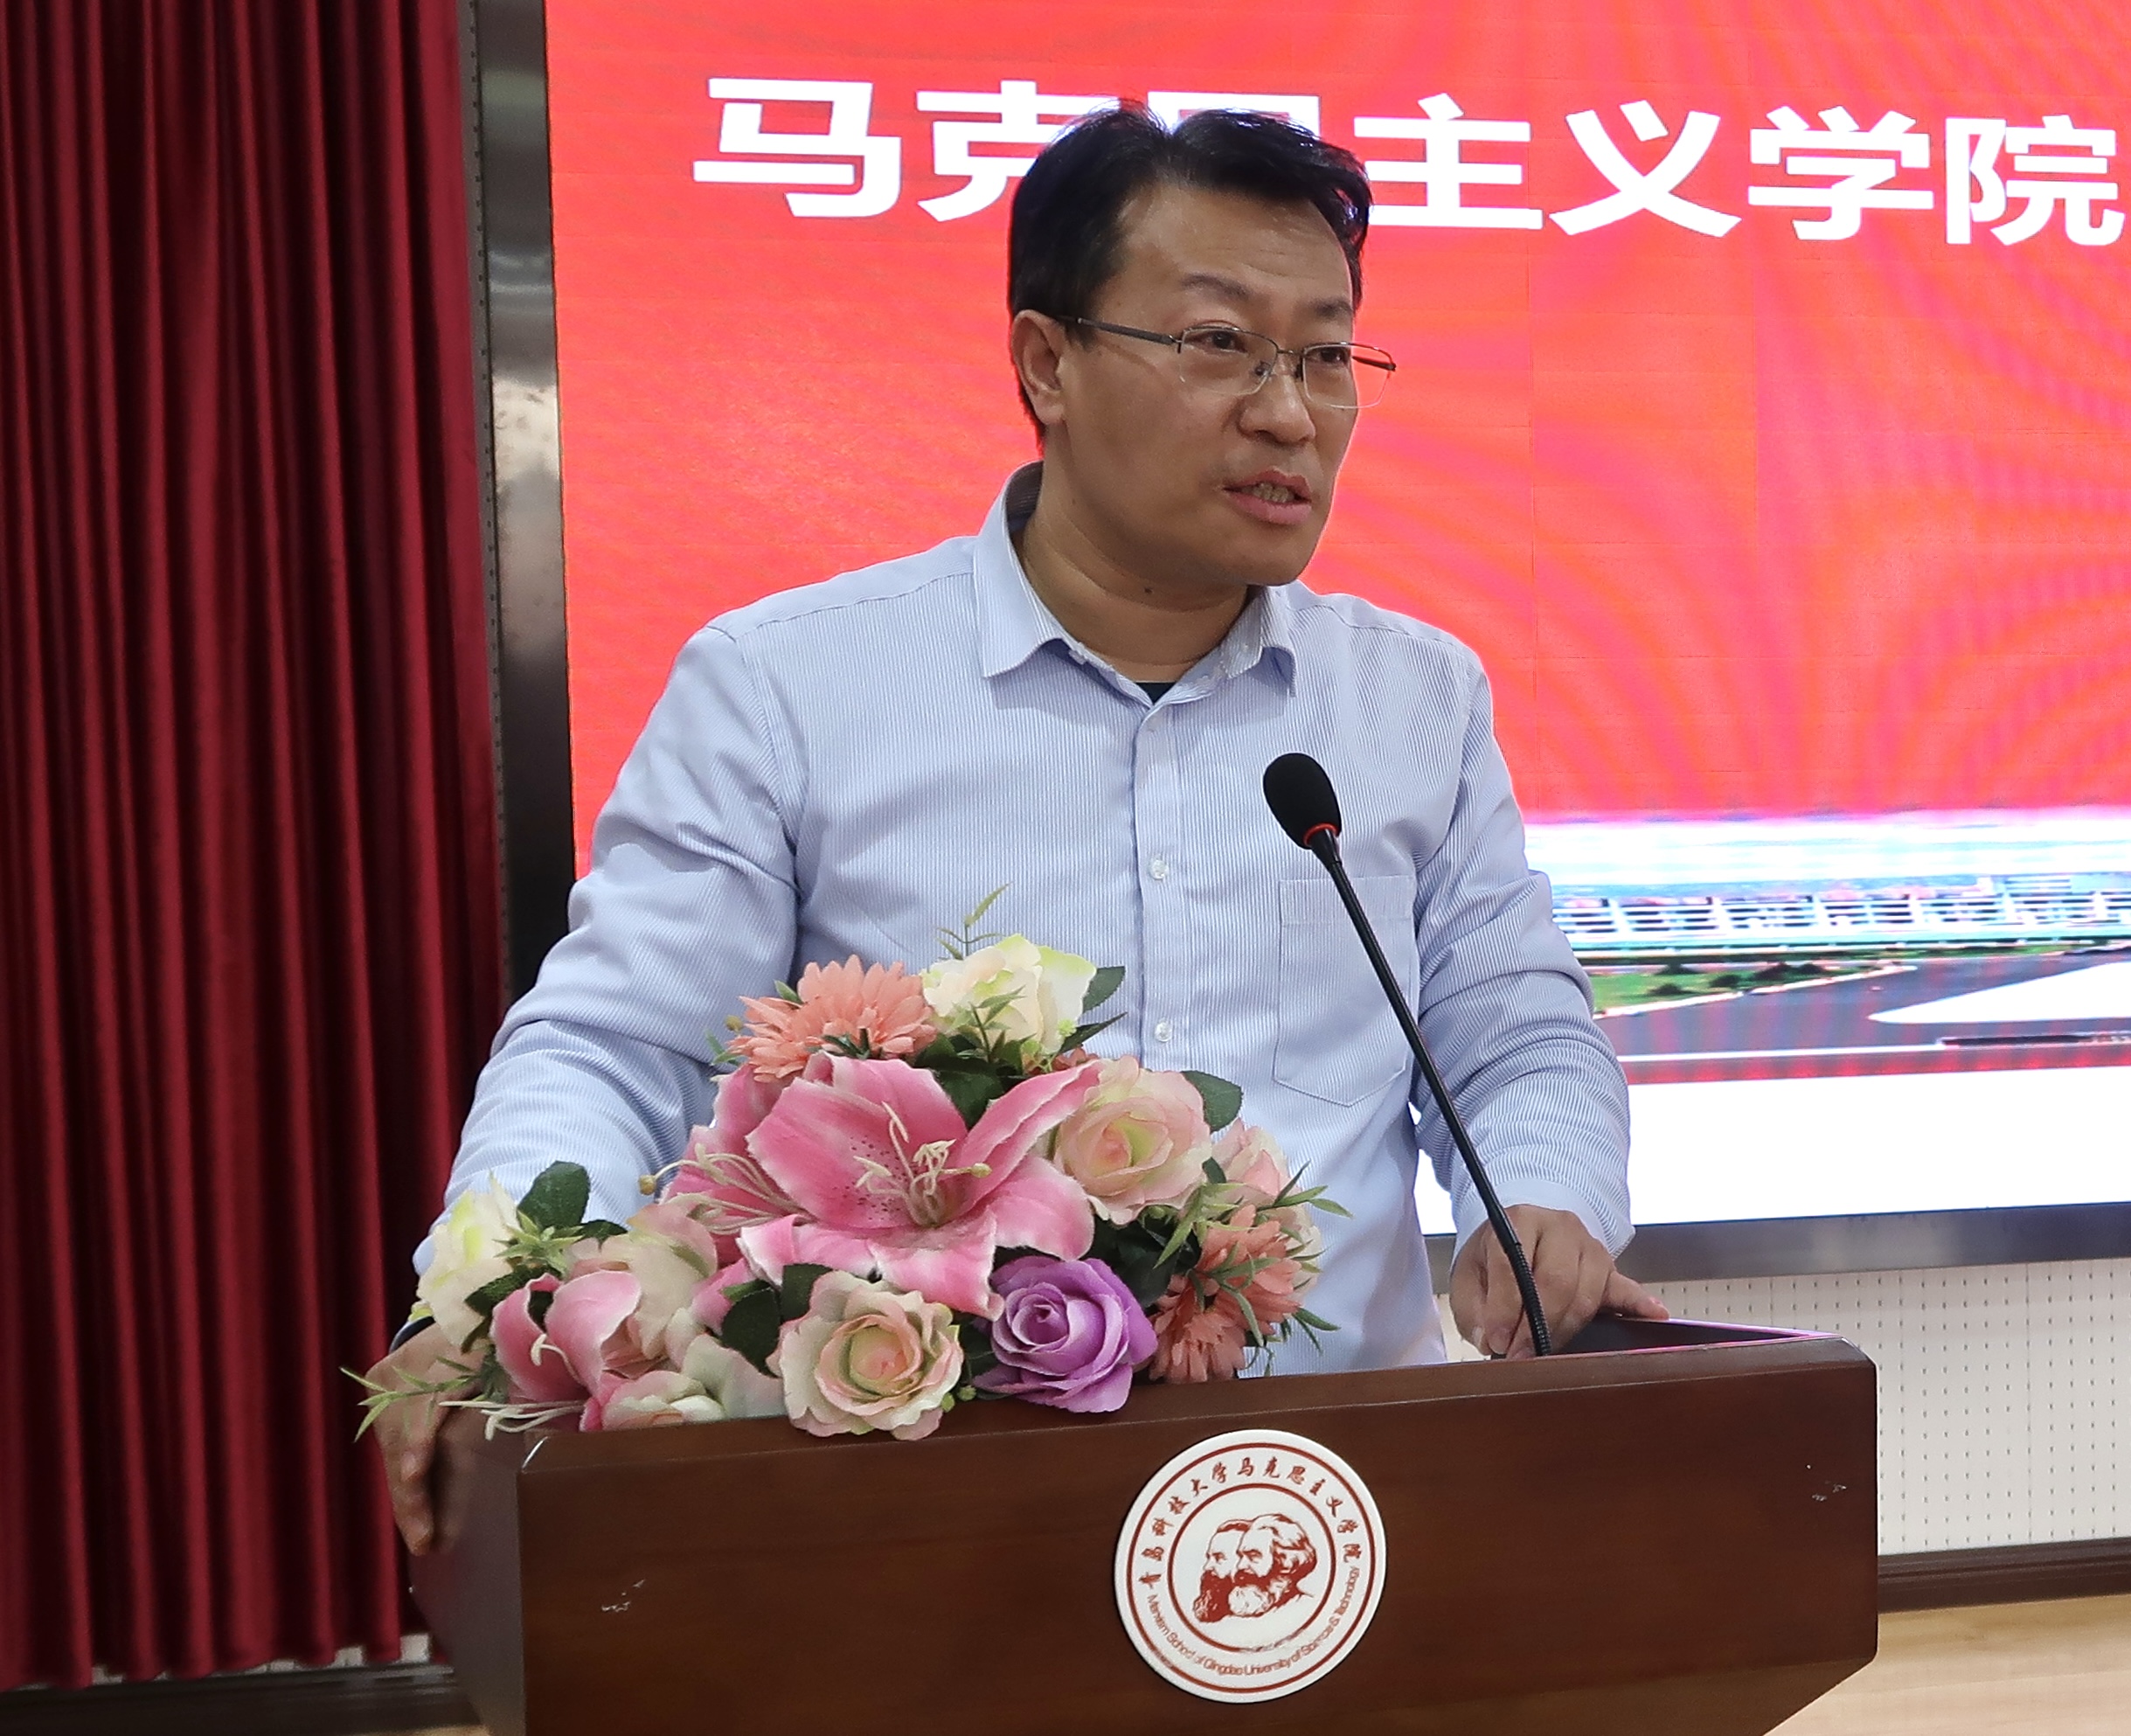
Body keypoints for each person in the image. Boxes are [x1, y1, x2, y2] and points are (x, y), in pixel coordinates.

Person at [368, 107, 1664, 1553]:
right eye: (1220, 344)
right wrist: (484, 1290)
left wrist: (1540, 1198)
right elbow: (618, 1042)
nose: (1289, 412)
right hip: (930, 1510)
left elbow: (1509, 1028)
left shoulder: (1413, 699)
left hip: (1337, 1499)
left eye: (1323, 355)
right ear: (1046, 362)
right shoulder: (787, 685)